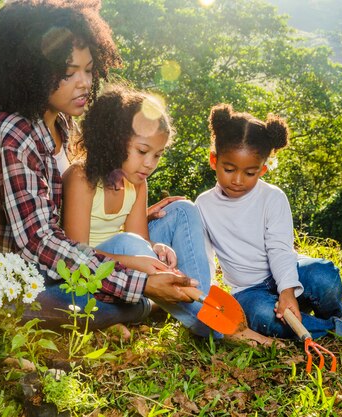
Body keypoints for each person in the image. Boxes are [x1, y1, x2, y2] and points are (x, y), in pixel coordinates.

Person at [0, 0, 199, 333]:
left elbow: (69, 209)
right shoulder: (12, 135)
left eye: (88, 70)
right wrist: (139, 283)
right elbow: (41, 243)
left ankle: (174, 303)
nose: (84, 83)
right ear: (30, 70)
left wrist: (136, 210)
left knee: (177, 217)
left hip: (70, 257)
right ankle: (152, 304)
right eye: (68, 72)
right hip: (24, 278)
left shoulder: (59, 119)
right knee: (100, 304)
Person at [62, 85, 275, 345]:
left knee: (182, 209)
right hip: (87, 277)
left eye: (157, 155)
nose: (150, 164)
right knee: (128, 243)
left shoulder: (136, 183)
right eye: (142, 151)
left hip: (127, 270)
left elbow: (141, 240)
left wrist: (156, 248)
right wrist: (134, 260)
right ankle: (218, 327)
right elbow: (75, 256)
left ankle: (200, 296)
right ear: (115, 140)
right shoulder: (80, 178)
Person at [195, 103, 342, 344]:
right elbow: (204, 258)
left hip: (288, 273)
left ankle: (334, 317)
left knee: (325, 275)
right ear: (214, 160)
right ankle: (337, 329)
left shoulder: (272, 197)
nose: (237, 180)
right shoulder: (204, 205)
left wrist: (287, 290)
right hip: (248, 292)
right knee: (261, 315)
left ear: (263, 170)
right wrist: (207, 298)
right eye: (229, 169)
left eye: (249, 173)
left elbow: (280, 249)